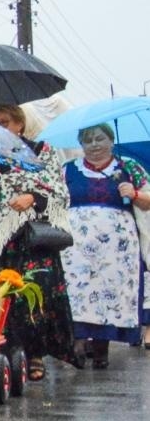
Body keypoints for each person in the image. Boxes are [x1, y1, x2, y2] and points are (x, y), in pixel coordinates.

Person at [0, 104, 76, 378]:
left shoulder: (39, 151)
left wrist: (33, 198)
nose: (0, 127)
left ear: (19, 124)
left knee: (33, 294)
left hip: (28, 238)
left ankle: (34, 356)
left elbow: (58, 191)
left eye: (5, 121)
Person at [60, 123, 150, 368]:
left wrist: (135, 194)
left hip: (117, 249)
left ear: (111, 141)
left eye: (100, 139)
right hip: (76, 248)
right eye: (87, 140)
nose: (94, 145)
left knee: (109, 294)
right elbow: (55, 200)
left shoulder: (129, 168)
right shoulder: (68, 170)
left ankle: (101, 349)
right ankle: (77, 343)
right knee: (78, 292)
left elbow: (148, 201)